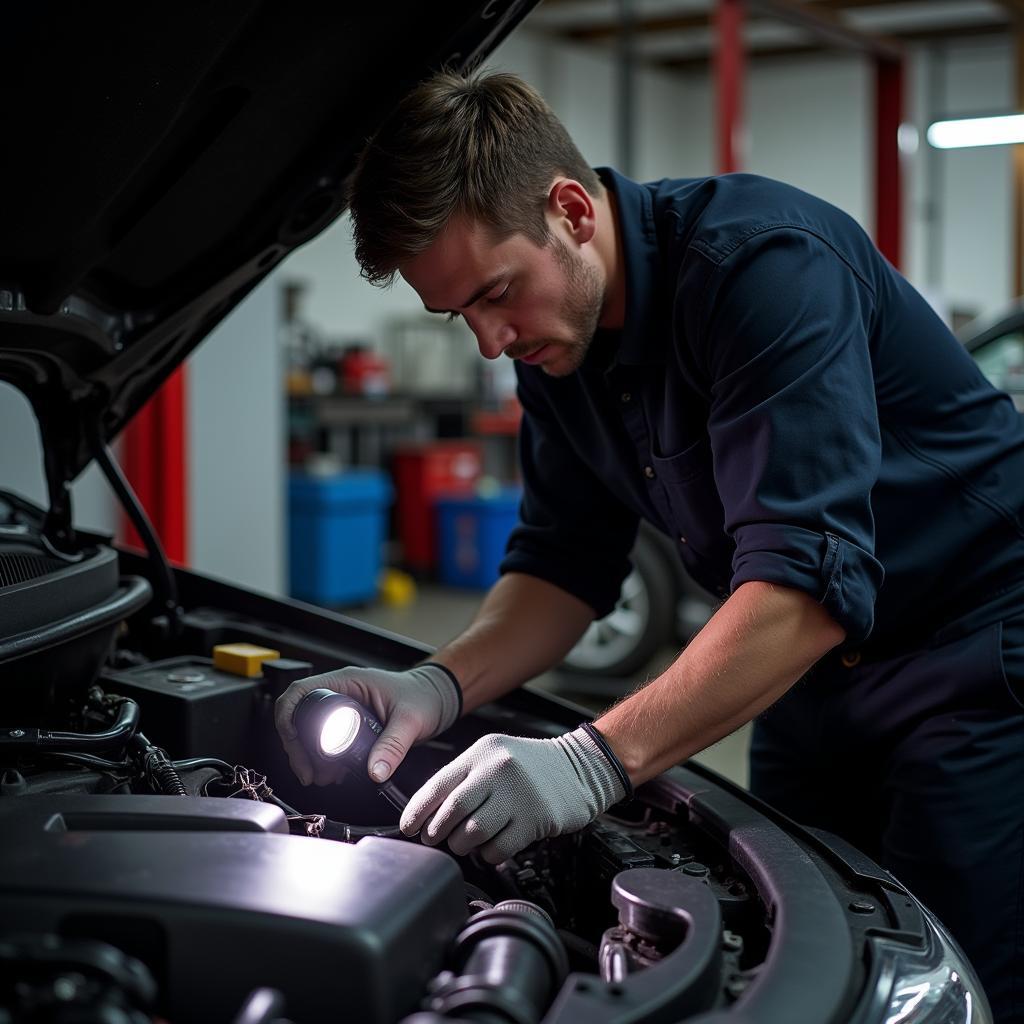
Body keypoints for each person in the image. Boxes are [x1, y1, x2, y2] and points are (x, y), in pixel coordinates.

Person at [276, 70, 1024, 1019]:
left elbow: (802, 589)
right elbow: (558, 569)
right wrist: (436, 684)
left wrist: (591, 760)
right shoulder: (560, 349)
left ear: (572, 210)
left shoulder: (765, 269)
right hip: (810, 679)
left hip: (970, 653)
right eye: (461, 314)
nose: (491, 343)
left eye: (498, 293)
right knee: (802, 956)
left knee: (951, 973)